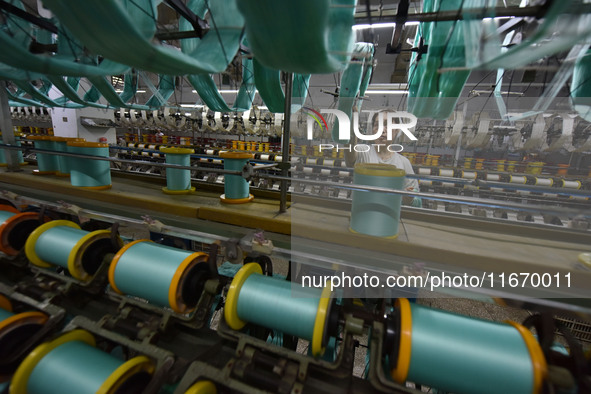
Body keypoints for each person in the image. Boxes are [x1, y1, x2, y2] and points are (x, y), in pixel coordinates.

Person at [344, 110, 421, 207]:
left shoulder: (403, 163)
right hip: (361, 215)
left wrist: (410, 200)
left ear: (397, 130)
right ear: (372, 130)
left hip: (387, 218)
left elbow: (418, 201)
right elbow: (350, 157)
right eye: (377, 125)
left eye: (387, 125)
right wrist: (352, 120)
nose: (382, 130)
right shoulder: (363, 152)